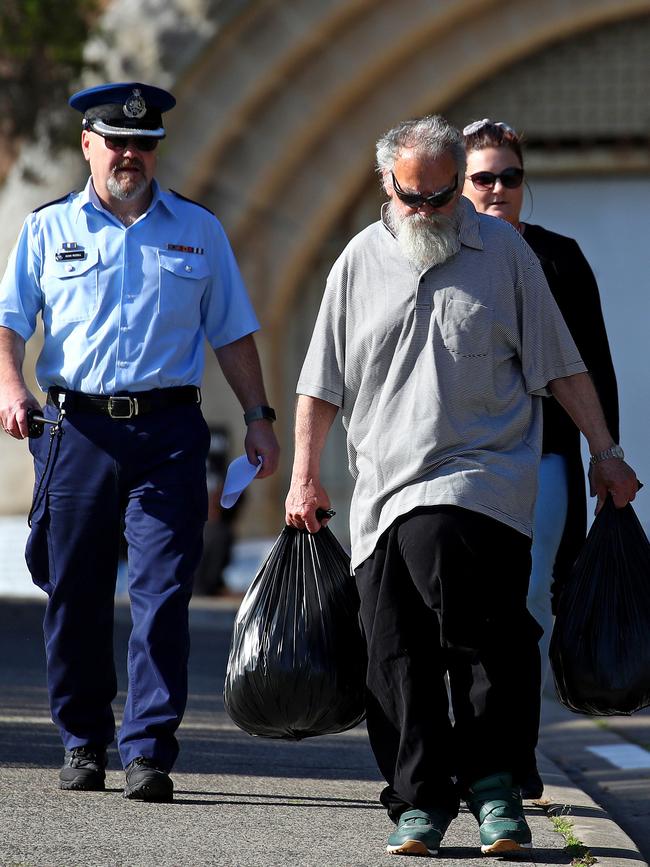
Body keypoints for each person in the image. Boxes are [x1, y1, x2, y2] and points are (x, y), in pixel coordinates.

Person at [284, 115, 638, 857]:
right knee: (394, 650)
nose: (429, 212)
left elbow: (562, 366)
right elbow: (319, 386)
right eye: (414, 198)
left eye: (444, 196)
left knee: (476, 621)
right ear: (387, 186)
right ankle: (419, 800)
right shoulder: (357, 262)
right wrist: (305, 477)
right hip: (382, 489)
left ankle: (493, 785)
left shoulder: (506, 254)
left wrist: (604, 452)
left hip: (482, 480)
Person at [0, 82, 279, 802]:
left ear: (157, 151)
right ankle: (83, 740)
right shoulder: (45, 228)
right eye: (117, 143)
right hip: (77, 429)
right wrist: (10, 389)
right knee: (77, 594)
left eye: (144, 145)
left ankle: (149, 748)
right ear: (88, 145)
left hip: (168, 432)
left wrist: (258, 414)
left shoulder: (197, 230)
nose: (131, 155)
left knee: (161, 594)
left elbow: (233, 329)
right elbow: (8, 322)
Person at [462, 118, 620, 798]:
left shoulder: (560, 257)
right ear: (459, 184)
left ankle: (514, 759)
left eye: (510, 176)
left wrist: (604, 452)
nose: (498, 188)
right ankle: (464, 751)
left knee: (526, 607)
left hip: (545, 458)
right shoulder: (443, 252)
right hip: (462, 460)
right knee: (459, 610)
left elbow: (593, 364)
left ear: (525, 183)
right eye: (483, 177)